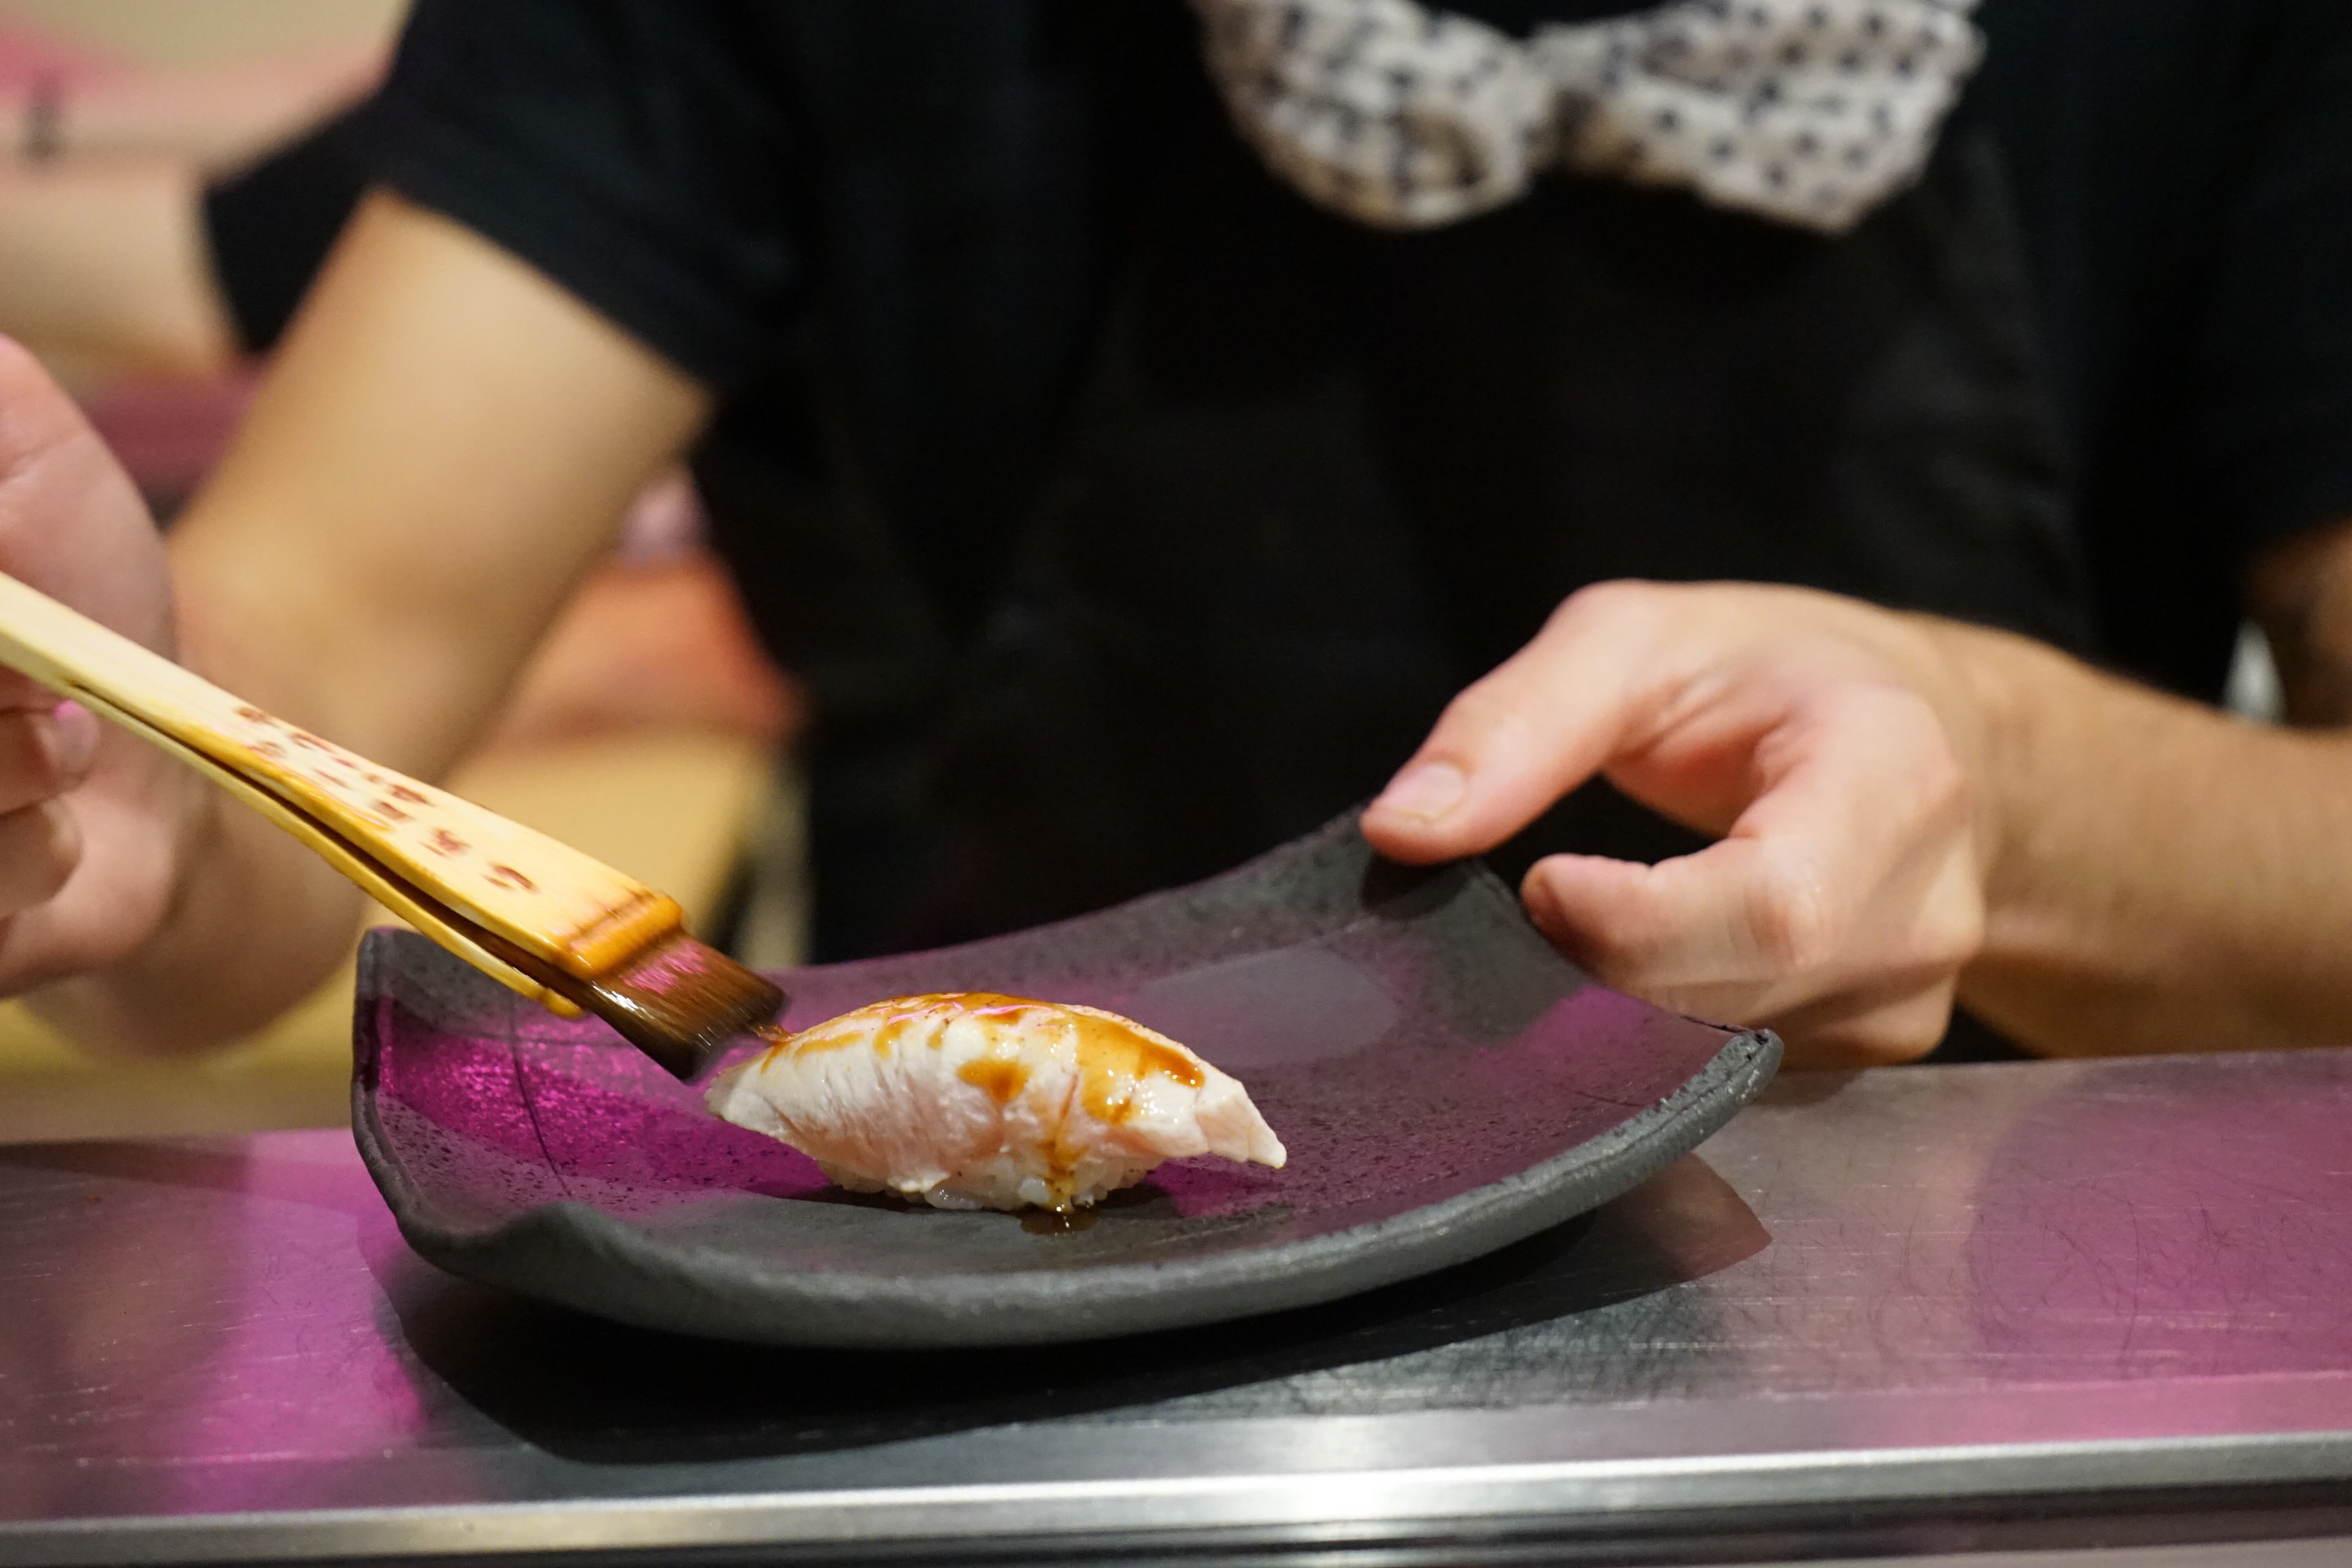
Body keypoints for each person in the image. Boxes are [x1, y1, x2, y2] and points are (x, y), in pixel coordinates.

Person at [0, 0, 2346, 1071]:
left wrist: (2009, 783)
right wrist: (111, 772)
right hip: (988, 1323)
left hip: (1969, 1360)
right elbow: (315, 656)